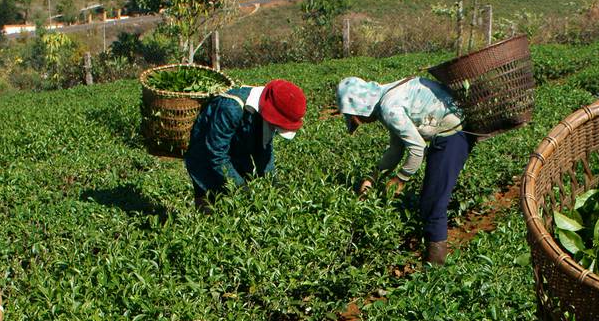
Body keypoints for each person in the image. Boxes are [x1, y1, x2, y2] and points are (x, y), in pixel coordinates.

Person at [336, 75, 473, 265]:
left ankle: (436, 270)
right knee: (430, 198)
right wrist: (372, 177)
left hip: (453, 135)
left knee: (433, 202)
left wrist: (400, 179)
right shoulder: (386, 98)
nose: (362, 123)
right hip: (447, 130)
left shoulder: (389, 108)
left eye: (357, 119)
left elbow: (417, 149)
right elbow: (396, 150)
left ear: (362, 109)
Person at [184, 79, 306, 209]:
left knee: (241, 208)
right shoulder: (231, 108)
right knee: (209, 206)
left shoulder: (264, 111)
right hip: (206, 160)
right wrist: (241, 187)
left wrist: (273, 182)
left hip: (238, 155)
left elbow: (263, 148)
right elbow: (216, 154)